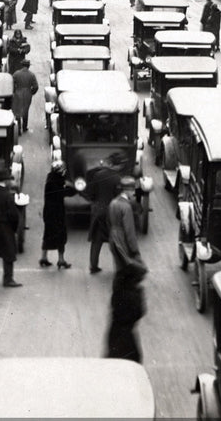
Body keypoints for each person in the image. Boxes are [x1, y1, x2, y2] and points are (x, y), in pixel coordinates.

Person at [106, 176, 147, 362]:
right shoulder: (127, 207)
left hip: (113, 239)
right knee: (127, 266)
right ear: (129, 190)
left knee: (119, 266)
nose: (133, 194)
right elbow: (130, 233)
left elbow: (110, 224)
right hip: (123, 239)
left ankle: (121, 281)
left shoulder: (113, 203)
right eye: (132, 191)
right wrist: (136, 253)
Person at [86, 151, 124, 274]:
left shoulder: (98, 175)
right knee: (116, 240)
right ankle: (119, 267)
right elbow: (119, 197)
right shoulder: (117, 179)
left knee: (97, 240)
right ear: (117, 165)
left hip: (98, 211)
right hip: (112, 212)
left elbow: (90, 193)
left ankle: (93, 266)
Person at [40, 161, 76, 269]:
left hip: (48, 212)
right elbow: (69, 192)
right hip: (57, 213)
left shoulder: (50, 180)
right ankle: (61, 260)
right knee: (61, 235)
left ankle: (44, 257)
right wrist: (71, 185)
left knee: (48, 234)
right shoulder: (58, 182)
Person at [11, 59, 38, 135]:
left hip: (18, 92)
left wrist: (14, 91)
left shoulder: (16, 74)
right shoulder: (32, 75)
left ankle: (18, 129)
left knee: (17, 110)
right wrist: (31, 92)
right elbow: (36, 86)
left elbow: (11, 83)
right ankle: (24, 127)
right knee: (25, 110)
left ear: (22, 65)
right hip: (27, 93)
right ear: (28, 66)